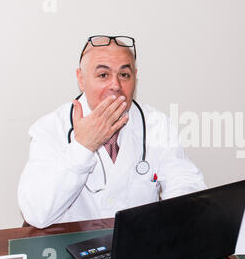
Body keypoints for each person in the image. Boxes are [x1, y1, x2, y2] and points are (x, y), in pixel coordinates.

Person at [18, 35, 207, 229]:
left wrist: (182, 208)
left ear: (135, 77)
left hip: (139, 242)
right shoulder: (50, 128)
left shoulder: (157, 124)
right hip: (73, 247)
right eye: (103, 75)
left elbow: (183, 181)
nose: (115, 85)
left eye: (124, 75)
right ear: (81, 79)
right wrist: (83, 146)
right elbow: (36, 214)